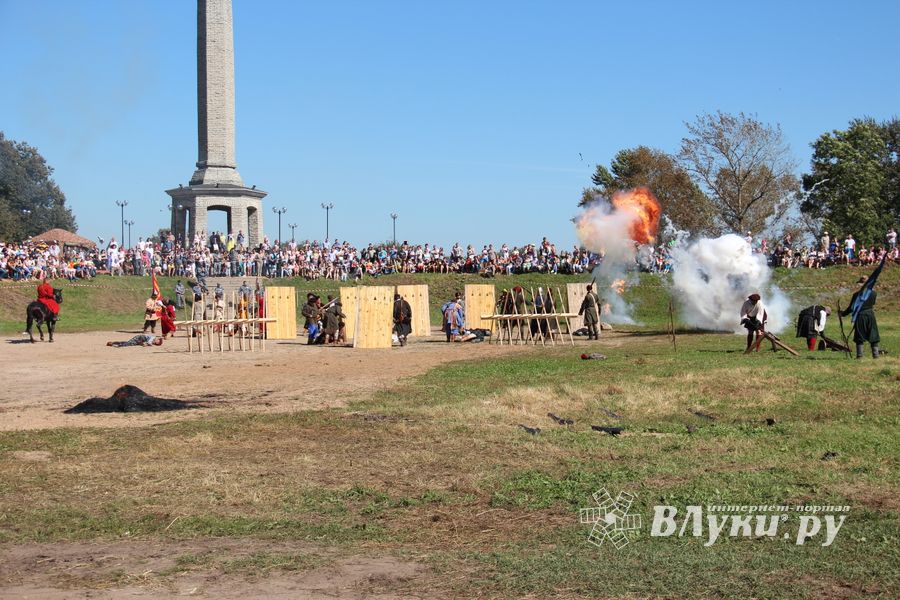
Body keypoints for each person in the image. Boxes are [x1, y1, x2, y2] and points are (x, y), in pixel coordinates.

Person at [841, 277, 880, 359]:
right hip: (870, 315)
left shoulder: (856, 295)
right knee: (873, 334)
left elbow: (851, 308)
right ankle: (875, 355)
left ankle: (859, 356)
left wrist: (843, 314)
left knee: (859, 335)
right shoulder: (874, 294)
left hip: (861, 315)